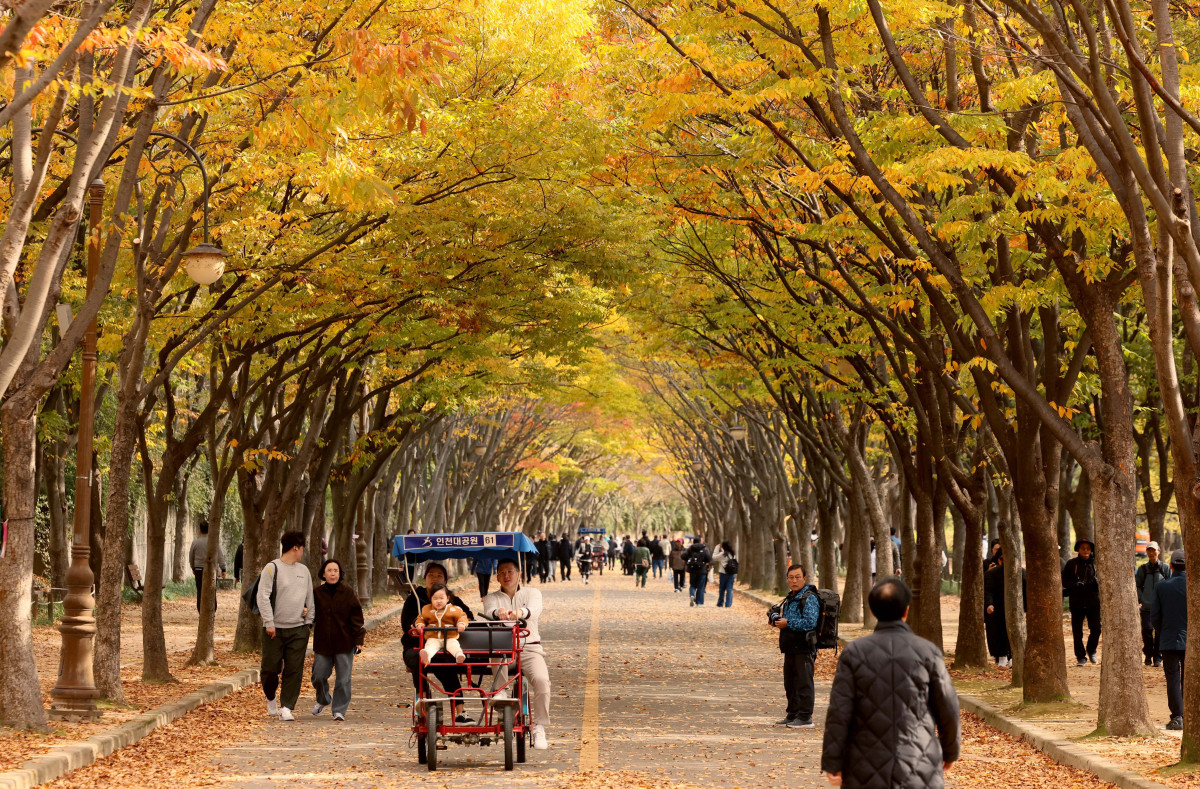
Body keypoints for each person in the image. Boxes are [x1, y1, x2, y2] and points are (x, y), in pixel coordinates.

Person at [821, 577, 960, 787]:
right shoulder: (928, 652)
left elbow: (840, 711)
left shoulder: (855, 652)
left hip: (864, 763)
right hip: (918, 760)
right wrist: (950, 751)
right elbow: (948, 706)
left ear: (874, 612)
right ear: (906, 610)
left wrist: (833, 761)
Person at [484, 558, 552, 750]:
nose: (507, 576)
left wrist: (520, 612)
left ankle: (539, 726)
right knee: (496, 649)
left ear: (519, 573)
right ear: (497, 577)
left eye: (510, 571)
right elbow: (489, 612)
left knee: (541, 681)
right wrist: (500, 612)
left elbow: (535, 610)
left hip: (529, 648)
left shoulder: (532, 593)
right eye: (502, 572)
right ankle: (501, 692)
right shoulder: (491, 597)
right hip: (503, 649)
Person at [400, 563, 475, 724]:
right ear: (425, 578)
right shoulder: (415, 597)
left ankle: (461, 711)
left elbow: (468, 616)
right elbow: (407, 622)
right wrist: (417, 625)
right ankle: (424, 698)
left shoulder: (452, 600)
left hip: (446, 645)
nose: (434, 578)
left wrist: (461, 623)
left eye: (439, 575)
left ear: (445, 581)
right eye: (431, 575)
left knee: (447, 665)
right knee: (418, 658)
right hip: (418, 645)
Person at [258, 531, 315, 721]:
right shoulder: (272, 568)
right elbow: (262, 597)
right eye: (302, 549)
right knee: (269, 669)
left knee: (294, 669)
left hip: (298, 629)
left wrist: (308, 625)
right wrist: (269, 622)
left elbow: (310, 600)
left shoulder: (304, 571)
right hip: (273, 630)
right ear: (295, 548)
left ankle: (287, 707)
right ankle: (271, 696)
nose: (302, 553)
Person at [311, 559, 365, 722]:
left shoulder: (348, 593)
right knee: (318, 676)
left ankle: (339, 710)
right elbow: (310, 615)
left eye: (335, 570)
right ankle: (323, 699)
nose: (333, 573)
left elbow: (357, 617)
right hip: (323, 643)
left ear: (340, 573)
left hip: (344, 642)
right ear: (323, 573)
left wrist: (359, 639)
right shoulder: (317, 593)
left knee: (343, 679)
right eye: (329, 570)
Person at [773, 564, 820, 727]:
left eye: (797, 577)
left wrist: (788, 623)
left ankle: (806, 717)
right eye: (791, 577)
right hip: (790, 647)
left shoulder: (809, 597)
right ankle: (793, 714)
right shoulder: (790, 597)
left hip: (804, 647)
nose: (794, 581)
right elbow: (787, 621)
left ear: (804, 578)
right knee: (790, 682)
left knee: (804, 682)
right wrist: (778, 622)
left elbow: (810, 622)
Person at [1151, 549, 1187, 730]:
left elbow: (1154, 616)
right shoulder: (1195, 585)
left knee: (1172, 678)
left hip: (1168, 638)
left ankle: (1177, 717)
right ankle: (1190, 713)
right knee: (1188, 678)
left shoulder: (1162, 586)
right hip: (1192, 640)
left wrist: (1163, 631)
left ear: (1171, 566)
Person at [983, 548, 1025, 668]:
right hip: (998, 608)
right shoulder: (991, 573)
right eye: (1001, 559)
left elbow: (1026, 591)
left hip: (1015, 609)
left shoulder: (1021, 573)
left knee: (1013, 632)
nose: (1004, 561)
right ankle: (1001, 656)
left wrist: (1025, 608)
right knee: (998, 632)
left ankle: (1012, 657)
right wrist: (989, 604)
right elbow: (988, 591)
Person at [1062, 537, 1101, 666]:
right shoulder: (1071, 564)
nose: (1085, 550)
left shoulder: (1096, 563)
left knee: (1096, 629)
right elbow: (1064, 581)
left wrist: (1097, 583)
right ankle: (1081, 657)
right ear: (1078, 549)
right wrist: (1075, 585)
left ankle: (1091, 650)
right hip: (1077, 602)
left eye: (1088, 548)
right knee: (1077, 632)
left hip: (1093, 603)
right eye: (1083, 548)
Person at [1136, 541, 1171, 668]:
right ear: (1146, 552)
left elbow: (1170, 585)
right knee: (1147, 632)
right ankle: (1148, 655)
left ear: (1159, 551)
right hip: (1146, 608)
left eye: (1153, 550)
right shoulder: (1143, 569)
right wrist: (1141, 599)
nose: (1151, 552)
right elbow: (1137, 585)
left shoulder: (1165, 568)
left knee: (1160, 633)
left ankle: (1158, 657)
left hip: (1161, 608)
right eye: (1149, 550)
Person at [416, 583, 469, 664]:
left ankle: (459, 655)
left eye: (441, 598)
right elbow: (421, 618)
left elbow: (462, 616)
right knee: (430, 646)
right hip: (433, 637)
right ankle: (427, 657)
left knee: (454, 645)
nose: (438, 601)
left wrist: (461, 624)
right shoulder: (426, 609)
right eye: (435, 598)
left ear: (447, 598)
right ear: (431, 599)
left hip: (449, 637)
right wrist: (420, 624)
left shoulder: (454, 609)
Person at [189, 520, 227, 613]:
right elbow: (220, 556)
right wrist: (223, 569)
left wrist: (193, 567)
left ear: (200, 530)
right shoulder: (214, 543)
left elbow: (191, 557)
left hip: (198, 570)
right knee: (212, 591)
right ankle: (212, 611)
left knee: (200, 591)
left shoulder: (195, 543)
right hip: (212, 570)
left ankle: (200, 611)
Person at [684, 536, 711, 606]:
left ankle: (692, 595)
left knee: (692, 584)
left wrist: (688, 560)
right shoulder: (704, 549)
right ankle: (699, 602)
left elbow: (683, 556)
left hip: (692, 570)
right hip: (702, 570)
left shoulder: (690, 549)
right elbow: (709, 558)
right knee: (701, 587)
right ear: (700, 541)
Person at [715, 541, 737, 608]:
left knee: (722, 589)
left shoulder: (722, 554)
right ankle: (728, 604)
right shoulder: (733, 554)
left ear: (723, 547)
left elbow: (714, 557)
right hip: (731, 574)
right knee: (729, 589)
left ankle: (720, 603)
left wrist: (717, 548)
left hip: (723, 573)